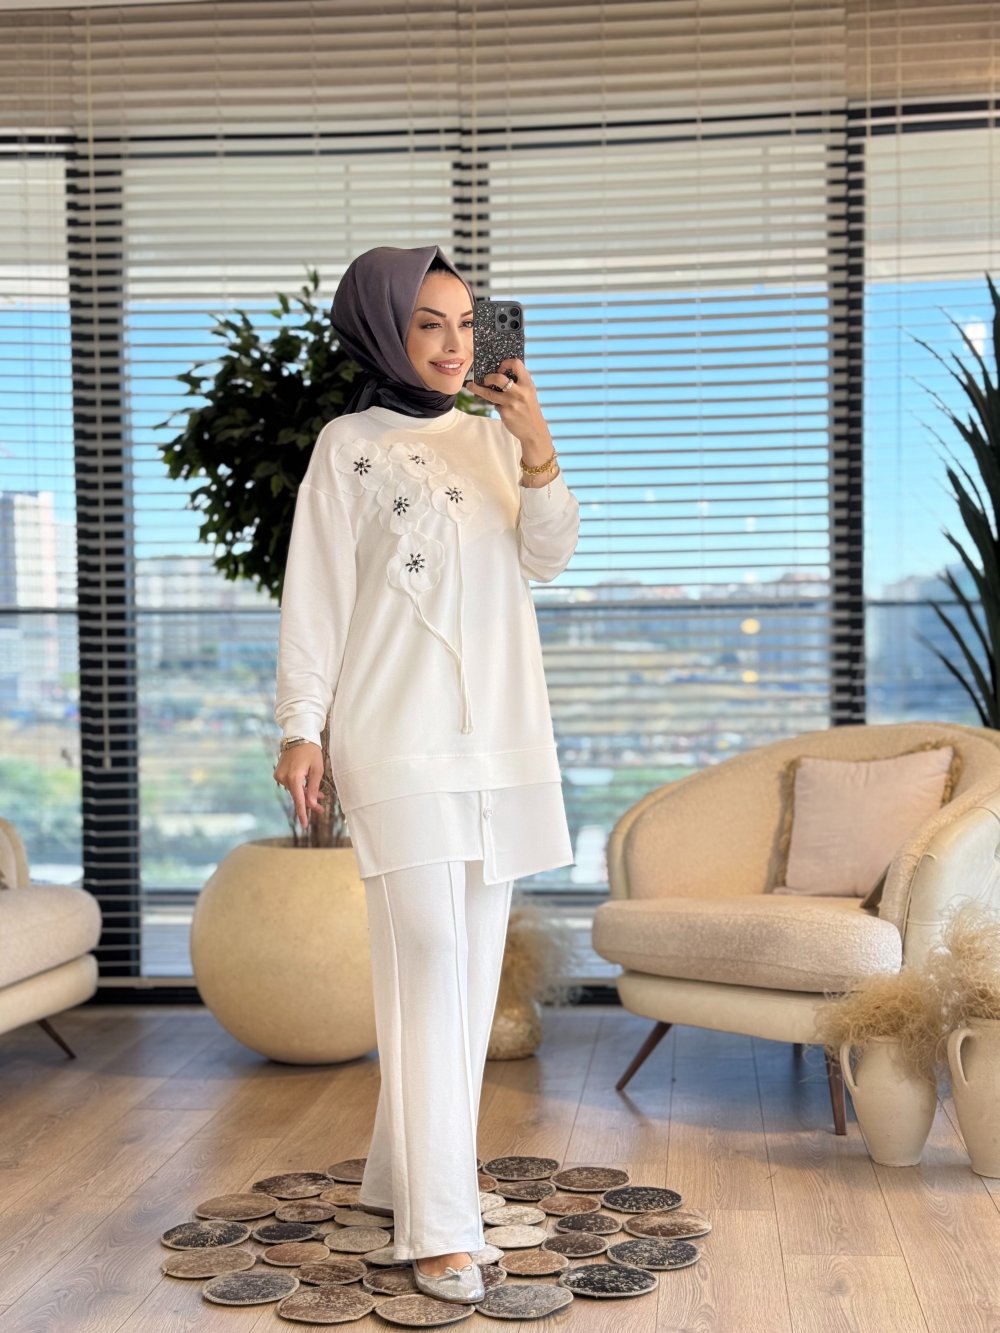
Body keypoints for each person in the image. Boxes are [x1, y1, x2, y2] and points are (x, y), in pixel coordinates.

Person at [272, 244, 580, 1304]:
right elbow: (314, 596)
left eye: (464, 322)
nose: (454, 345)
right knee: (431, 959)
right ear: (382, 328)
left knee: (469, 967)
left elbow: (548, 556)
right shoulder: (346, 447)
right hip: (395, 739)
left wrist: (534, 442)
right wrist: (300, 728)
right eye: (427, 324)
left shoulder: (497, 441)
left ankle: (400, 1173)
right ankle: (440, 1226)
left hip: (502, 741)